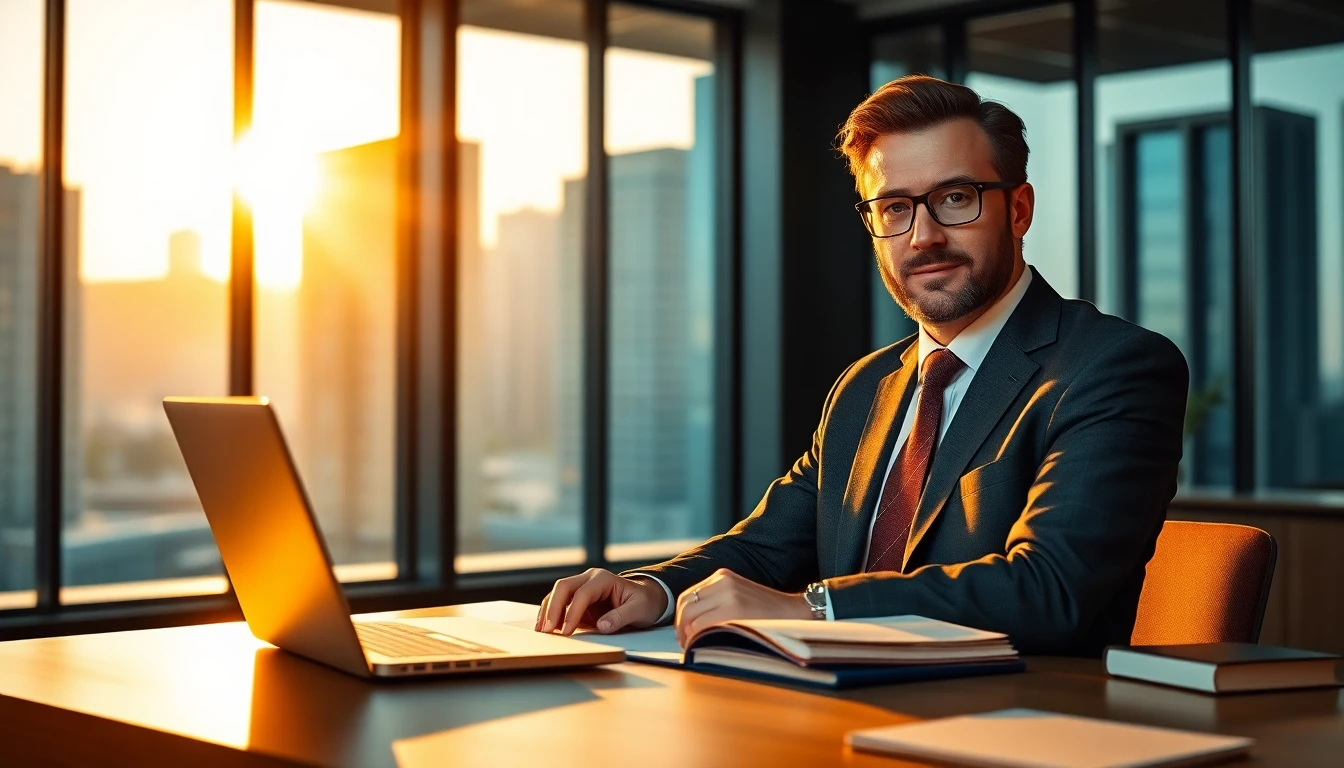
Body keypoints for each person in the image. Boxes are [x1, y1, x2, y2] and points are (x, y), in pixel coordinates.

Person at [534, 74, 1188, 656]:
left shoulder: (1112, 367)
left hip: (1020, 727)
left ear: (1018, 209)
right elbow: (767, 546)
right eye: (894, 208)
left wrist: (815, 609)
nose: (923, 236)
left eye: (955, 198)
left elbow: (1050, 590)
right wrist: (652, 589)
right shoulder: (866, 386)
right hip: (834, 712)